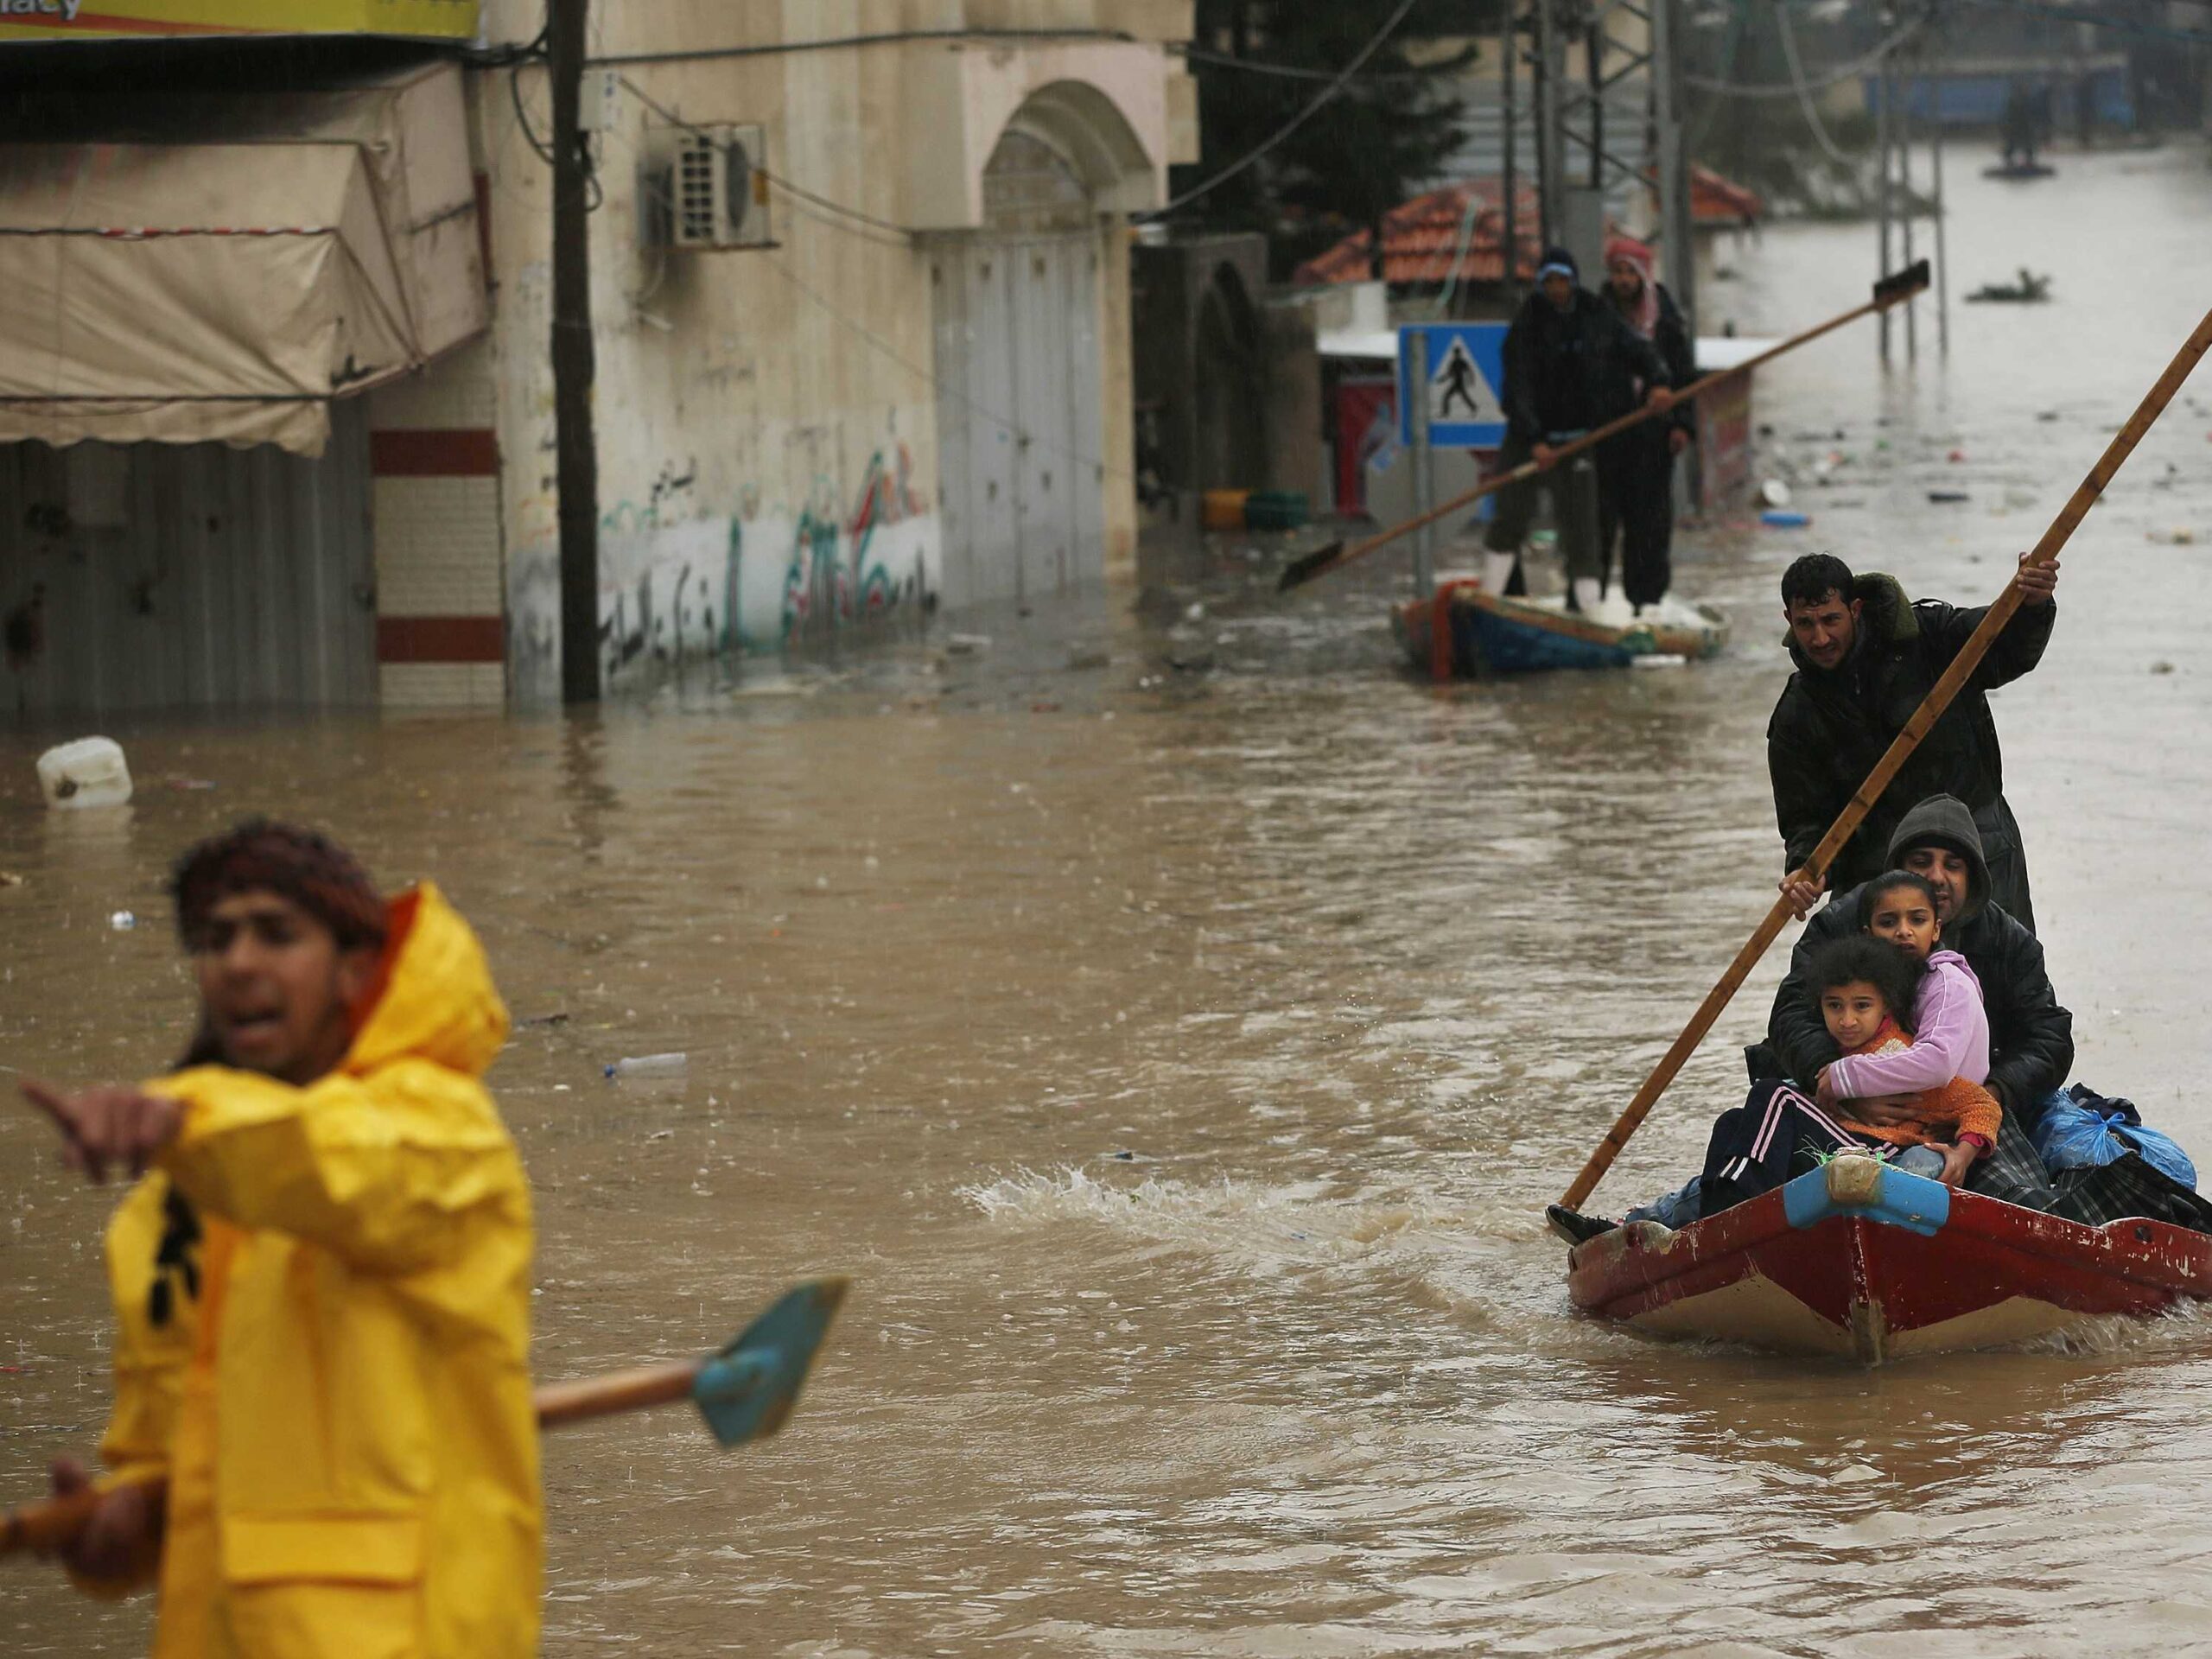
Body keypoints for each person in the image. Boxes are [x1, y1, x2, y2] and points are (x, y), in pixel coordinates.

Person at [21, 821, 539, 1658]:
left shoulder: (444, 1134)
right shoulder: (166, 1215)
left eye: (276, 932)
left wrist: (178, 1121)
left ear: (355, 968)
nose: (239, 962)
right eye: (217, 938)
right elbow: (168, 1465)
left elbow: (324, 1166)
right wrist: (115, 1533)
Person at [1548, 795, 2071, 1243]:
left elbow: (2048, 1038)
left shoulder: (2001, 944)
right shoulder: (1844, 923)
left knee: (2021, 1200)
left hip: (1960, 1119)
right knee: (1752, 1124)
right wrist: (1839, 1082)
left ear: (1969, 884)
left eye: (1951, 866)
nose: (1934, 878)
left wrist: (1992, 1098)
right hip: (1841, 1111)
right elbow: (1791, 1014)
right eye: (1920, 862)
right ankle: (1644, 1228)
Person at [1770, 551, 2058, 932]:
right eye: (1806, 624)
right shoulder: (1797, 713)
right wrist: (1808, 870)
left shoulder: (1931, 638)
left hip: (1979, 853)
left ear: (1855, 609)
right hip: (1881, 875)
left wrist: (2032, 604)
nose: (1820, 638)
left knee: (2004, 982)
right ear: (1790, 620)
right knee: (1877, 986)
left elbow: (2005, 645)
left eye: (1830, 620)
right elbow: (1807, 818)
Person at [1696, 934, 2001, 1215]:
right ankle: (1715, 1217)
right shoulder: (1835, 1050)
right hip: (1835, 1146)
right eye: (1834, 1006)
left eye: (1862, 1006)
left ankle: (1744, 1212)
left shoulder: (1897, 1056)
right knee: (1731, 1122)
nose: (1847, 1020)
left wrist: (1963, 1154)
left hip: (1878, 1154)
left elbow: (1982, 1104)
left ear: (1886, 1007)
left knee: (1773, 1094)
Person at [1485, 245, 1675, 614]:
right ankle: (1489, 600)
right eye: (1550, 281)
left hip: (1579, 440)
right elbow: (1517, 388)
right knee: (1509, 518)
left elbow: (1637, 349)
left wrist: (1658, 381)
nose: (1557, 288)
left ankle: (1588, 612)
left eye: (1563, 280)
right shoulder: (1526, 324)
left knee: (1583, 531)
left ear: (1572, 281)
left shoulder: (1595, 313)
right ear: (1541, 284)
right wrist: (1535, 439)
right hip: (1529, 441)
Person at [1594, 235, 1694, 615]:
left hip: (1654, 438)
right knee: (1601, 523)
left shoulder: (1665, 318)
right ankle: (1595, 602)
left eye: (1629, 272)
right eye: (1617, 272)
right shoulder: (1597, 315)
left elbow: (1684, 375)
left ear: (1642, 275)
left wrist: (1681, 423)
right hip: (1608, 437)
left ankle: (1647, 602)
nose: (1623, 280)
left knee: (1649, 525)